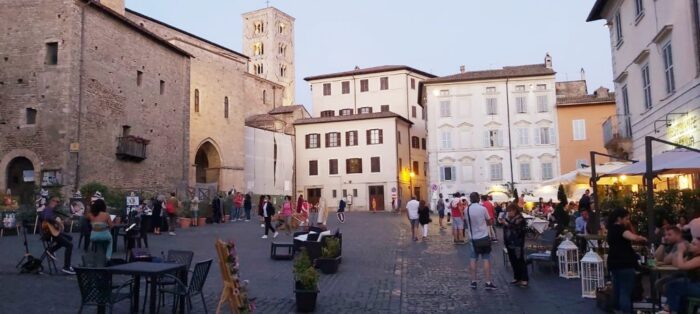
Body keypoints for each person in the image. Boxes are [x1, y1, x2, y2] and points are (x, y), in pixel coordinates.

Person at [607, 208, 647, 314]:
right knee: (625, 292)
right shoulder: (620, 229)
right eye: (626, 218)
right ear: (619, 219)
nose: (627, 221)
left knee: (617, 289)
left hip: (613, 263)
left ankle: (616, 310)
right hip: (624, 264)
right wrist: (641, 238)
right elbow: (632, 237)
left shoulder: (611, 229)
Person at [660, 237, 700, 314]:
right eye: (691, 242)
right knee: (672, 282)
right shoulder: (691, 255)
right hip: (694, 284)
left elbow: (682, 266)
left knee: (674, 285)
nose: (690, 245)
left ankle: (669, 310)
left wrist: (681, 252)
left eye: (694, 244)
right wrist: (678, 251)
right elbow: (676, 264)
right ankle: (672, 309)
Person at [466, 192, 496, 290]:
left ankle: (473, 281)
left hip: (473, 238)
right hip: (483, 237)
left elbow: (466, 222)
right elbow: (489, 221)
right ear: (478, 199)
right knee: (486, 259)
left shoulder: (467, 209)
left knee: (473, 259)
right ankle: (488, 282)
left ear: (470, 199)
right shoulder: (482, 209)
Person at [41, 197, 76, 275]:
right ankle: (66, 267)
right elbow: (46, 217)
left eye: (58, 202)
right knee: (69, 245)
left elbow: (55, 223)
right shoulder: (47, 209)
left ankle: (51, 250)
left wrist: (63, 223)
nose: (56, 203)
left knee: (69, 238)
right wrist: (58, 222)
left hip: (53, 232)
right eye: (55, 201)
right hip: (48, 233)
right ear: (51, 201)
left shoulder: (52, 211)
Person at [501, 203, 528, 287]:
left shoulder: (520, 219)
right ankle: (517, 277)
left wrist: (506, 224)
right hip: (510, 243)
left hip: (517, 243)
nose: (508, 213)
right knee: (513, 260)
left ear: (514, 210)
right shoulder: (511, 218)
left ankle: (524, 279)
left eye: (510, 211)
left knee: (520, 260)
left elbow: (516, 229)